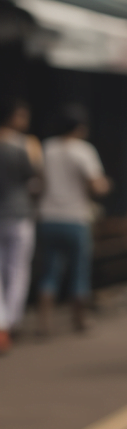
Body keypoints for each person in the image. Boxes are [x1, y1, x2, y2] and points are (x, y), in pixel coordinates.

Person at [36, 105, 110, 336]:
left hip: (47, 216)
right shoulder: (83, 150)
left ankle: (44, 323)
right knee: (79, 270)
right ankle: (79, 320)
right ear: (80, 127)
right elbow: (96, 185)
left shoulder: (46, 148)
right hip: (75, 218)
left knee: (49, 271)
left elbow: (38, 182)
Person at [0, 97, 43, 352]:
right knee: (17, 271)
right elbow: (36, 179)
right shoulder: (27, 145)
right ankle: (10, 323)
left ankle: (2, 323)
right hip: (19, 215)